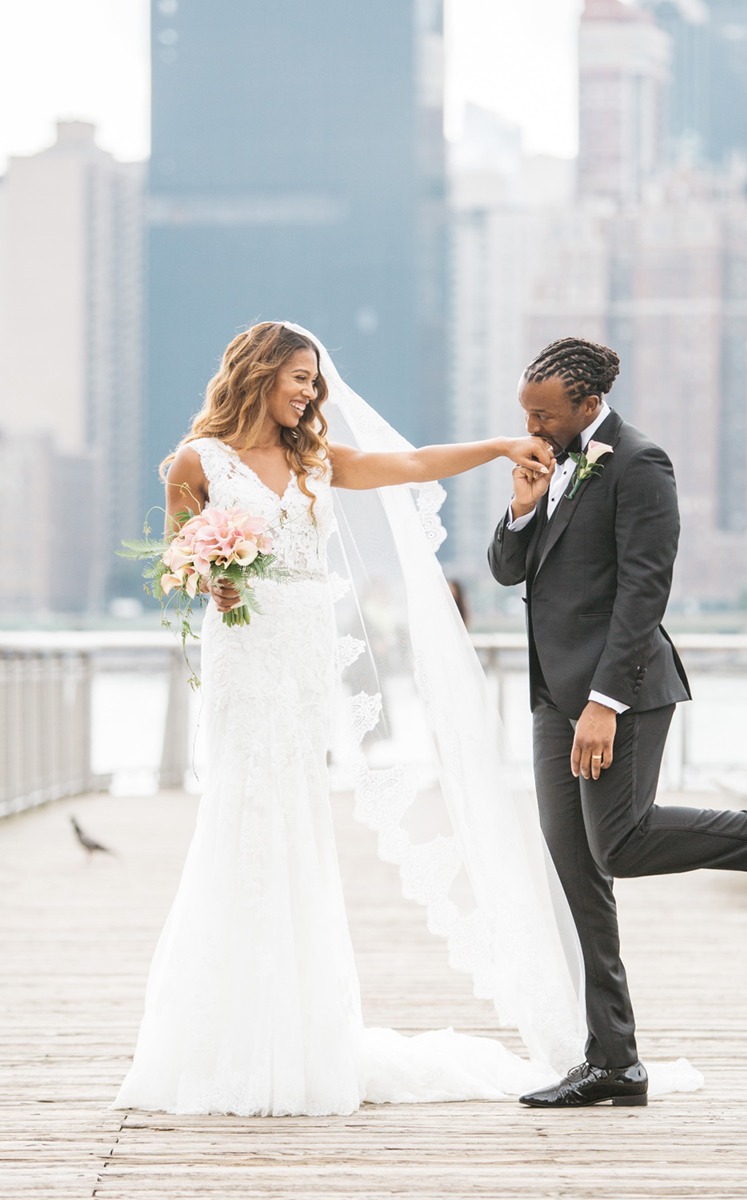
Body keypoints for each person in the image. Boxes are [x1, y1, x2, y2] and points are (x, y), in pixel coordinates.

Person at [113, 320, 567, 1117]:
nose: (310, 392)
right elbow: (177, 563)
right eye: (297, 378)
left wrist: (498, 447)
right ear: (257, 374)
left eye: (314, 381)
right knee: (241, 819)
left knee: (297, 823)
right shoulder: (196, 462)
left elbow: (415, 463)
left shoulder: (312, 462)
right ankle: (226, 1037)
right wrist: (207, 579)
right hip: (244, 661)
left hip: (301, 662)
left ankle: (299, 1032)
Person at [487, 336, 747, 1110]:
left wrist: (604, 703)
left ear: (589, 406)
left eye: (544, 413)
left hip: (618, 693)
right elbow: (507, 570)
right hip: (550, 699)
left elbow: (644, 591)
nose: (531, 425)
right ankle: (615, 1061)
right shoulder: (553, 466)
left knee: (621, 844)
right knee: (579, 879)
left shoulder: (640, 463)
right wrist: (522, 509)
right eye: (525, 411)